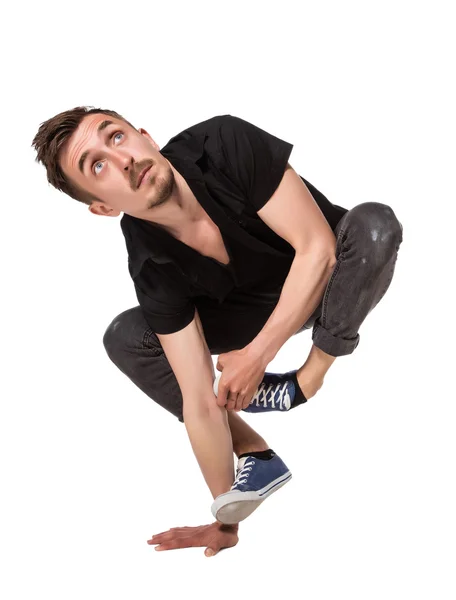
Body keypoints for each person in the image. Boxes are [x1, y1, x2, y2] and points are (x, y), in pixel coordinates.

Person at [32, 107, 404, 557]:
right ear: (104, 207)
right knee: (126, 336)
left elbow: (318, 249)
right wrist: (225, 517)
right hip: (247, 310)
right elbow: (197, 400)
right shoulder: (150, 262)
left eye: (116, 138)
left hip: (333, 280)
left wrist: (266, 361)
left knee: (375, 225)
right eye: (97, 166)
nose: (122, 160)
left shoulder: (223, 143)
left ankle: (303, 383)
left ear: (145, 136)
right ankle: (258, 457)